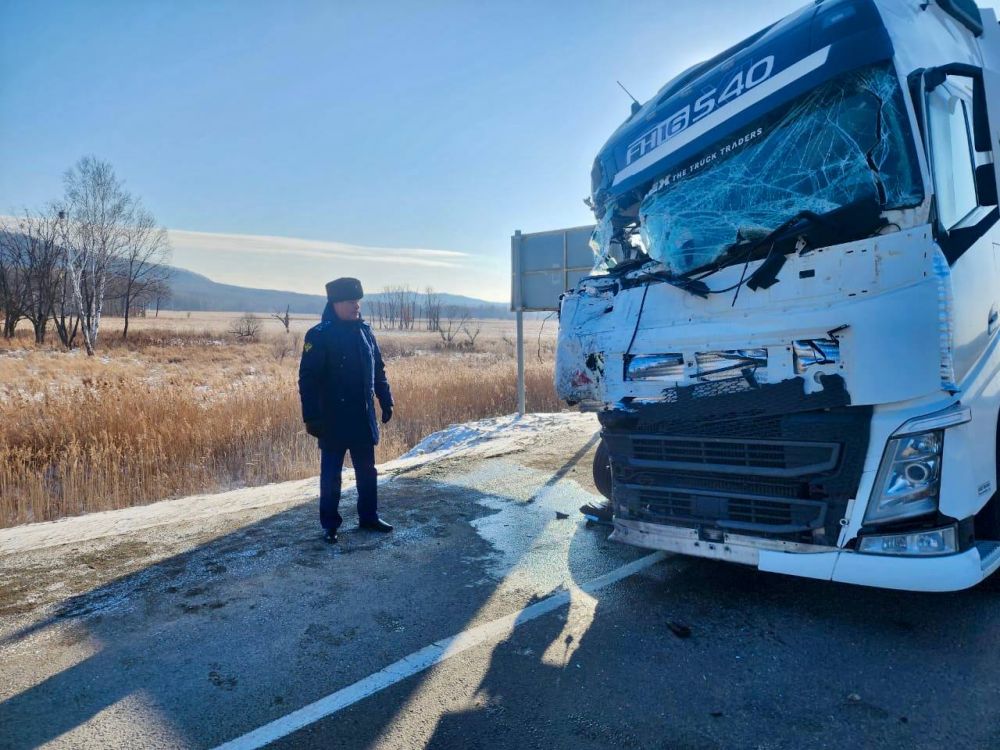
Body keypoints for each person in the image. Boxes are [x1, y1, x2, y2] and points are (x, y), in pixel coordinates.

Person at [298, 277, 394, 543]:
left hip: (363, 416)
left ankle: (369, 517)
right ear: (336, 303)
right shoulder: (319, 335)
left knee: (368, 471)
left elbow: (378, 370)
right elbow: (308, 379)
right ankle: (330, 525)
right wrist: (312, 416)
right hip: (333, 419)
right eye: (352, 302)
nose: (357, 306)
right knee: (331, 475)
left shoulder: (365, 331)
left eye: (358, 301)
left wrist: (385, 399)